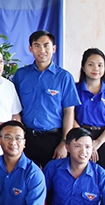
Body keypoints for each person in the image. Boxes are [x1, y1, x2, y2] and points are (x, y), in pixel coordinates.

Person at [13, 31, 80, 167]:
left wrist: (64, 142)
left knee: (53, 182)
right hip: (27, 137)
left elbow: (69, 112)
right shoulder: (21, 75)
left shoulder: (64, 77)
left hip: (54, 138)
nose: (42, 50)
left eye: (46, 45)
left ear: (54, 49)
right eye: (37, 46)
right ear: (30, 49)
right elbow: (15, 108)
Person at [74, 48, 105, 171]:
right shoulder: (74, 89)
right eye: (91, 64)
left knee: (104, 175)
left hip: (104, 138)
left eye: (100, 65)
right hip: (80, 136)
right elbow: (69, 116)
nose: (96, 68)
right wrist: (87, 142)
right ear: (83, 67)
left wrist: (97, 143)